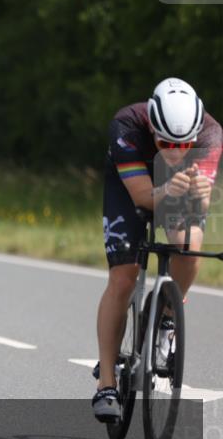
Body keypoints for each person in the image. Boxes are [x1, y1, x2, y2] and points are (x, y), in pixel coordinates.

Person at [93, 78, 221, 421]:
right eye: (166, 142)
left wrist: (195, 191)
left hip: (174, 185)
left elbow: (203, 204)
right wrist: (165, 190)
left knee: (189, 246)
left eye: (184, 144)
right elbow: (141, 197)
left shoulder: (210, 135)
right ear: (152, 127)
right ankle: (106, 382)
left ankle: (166, 317)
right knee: (123, 278)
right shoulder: (127, 127)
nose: (176, 151)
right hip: (132, 185)